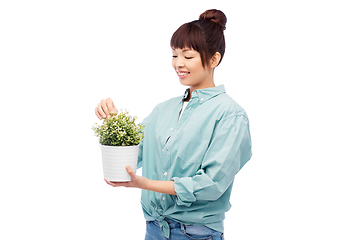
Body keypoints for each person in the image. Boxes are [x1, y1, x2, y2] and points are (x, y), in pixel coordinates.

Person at [95, 9, 252, 240]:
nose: (178, 63)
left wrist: (146, 184)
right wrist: (114, 122)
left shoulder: (230, 115)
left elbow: (211, 184)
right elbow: (134, 156)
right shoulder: (163, 110)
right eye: (174, 55)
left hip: (196, 234)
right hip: (154, 229)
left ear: (214, 59)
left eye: (188, 57)